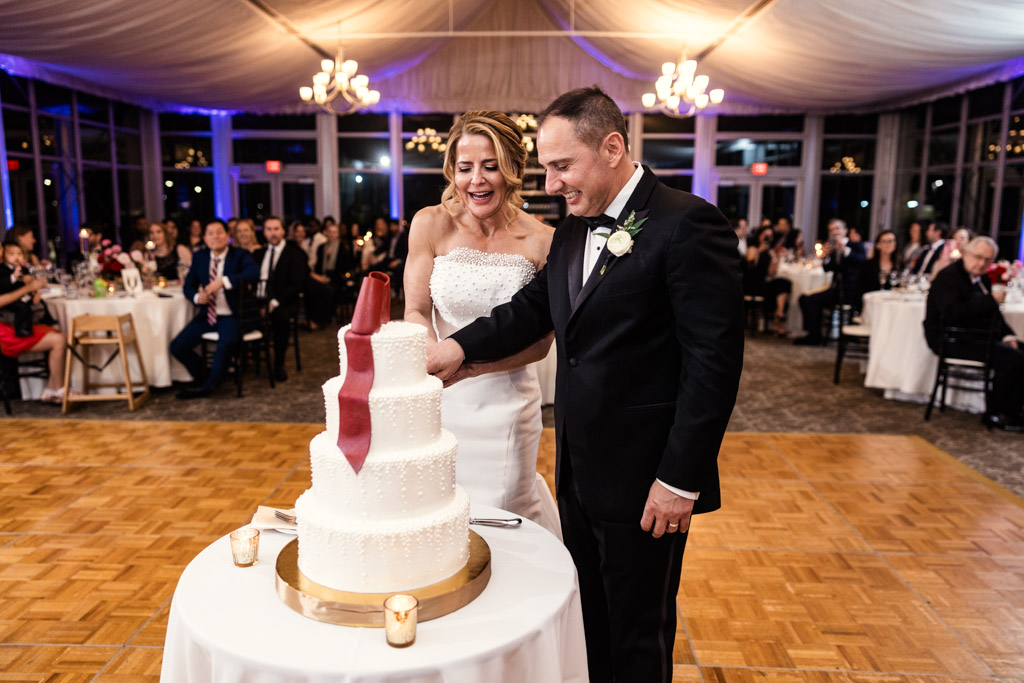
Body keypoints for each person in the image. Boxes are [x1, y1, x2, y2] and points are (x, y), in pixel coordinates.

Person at [427, 88, 744, 682]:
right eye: (546, 167)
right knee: (589, 619)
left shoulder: (687, 223)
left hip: (649, 482)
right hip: (579, 469)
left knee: (636, 634)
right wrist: (456, 350)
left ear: (612, 147)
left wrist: (679, 479)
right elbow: (528, 310)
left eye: (562, 166)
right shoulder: (574, 228)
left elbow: (714, 367)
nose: (550, 183)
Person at [404, 110, 558, 537]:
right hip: (439, 397)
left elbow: (542, 341)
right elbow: (415, 309)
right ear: (452, 170)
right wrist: (433, 356)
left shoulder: (543, 240)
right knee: (439, 510)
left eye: (490, 167)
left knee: (504, 512)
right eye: (465, 167)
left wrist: (472, 368)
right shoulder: (429, 224)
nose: (477, 180)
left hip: (508, 403)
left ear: (512, 170)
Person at [924, 236, 1024, 431]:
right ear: (966, 254)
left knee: (1020, 350)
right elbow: (952, 313)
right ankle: (998, 413)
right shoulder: (949, 277)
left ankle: (1015, 408)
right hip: (950, 339)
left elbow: (994, 314)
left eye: (988, 260)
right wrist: (990, 301)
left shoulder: (983, 278)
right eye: (978, 257)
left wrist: (1008, 336)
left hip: (975, 337)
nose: (982, 263)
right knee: (1013, 360)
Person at [170, 220, 259, 399]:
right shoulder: (200, 257)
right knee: (177, 346)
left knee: (225, 344)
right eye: (210, 233)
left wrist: (224, 281)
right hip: (208, 315)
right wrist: (197, 297)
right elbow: (189, 286)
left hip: (233, 315)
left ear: (228, 236)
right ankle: (206, 376)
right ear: (204, 238)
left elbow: (253, 273)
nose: (215, 237)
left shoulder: (239, 255)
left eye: (219, 232)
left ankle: (208, 388)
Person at [0, 241, 67, 403]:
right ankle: (57, 389)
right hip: (6, 331)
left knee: (60, 334)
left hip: (12, 325)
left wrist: (33, 290)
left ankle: (53, 389)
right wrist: (27, 289)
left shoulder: (8, 270)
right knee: (59, 340)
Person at [794, 218, 866, 345]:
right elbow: (828, 269)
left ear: (845, 230)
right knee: (805, 298)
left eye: (837, 228)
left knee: (810, 299)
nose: (834, 232)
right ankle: (814, 334)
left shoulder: (855, 246)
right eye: (831, 229)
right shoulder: (832, 248)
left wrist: (844, 250)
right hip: (836, 290)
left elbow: (861, 260)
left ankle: (814, 336)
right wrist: (825, 256)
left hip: (851, 292)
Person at [254, 216, 308, 382]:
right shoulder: (258, 254)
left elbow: (296, 284)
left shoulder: (295, 254)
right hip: (258, 300)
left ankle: (279, 364)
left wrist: (274, 302)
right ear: (264, 232)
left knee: (281, 319)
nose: (273, 233)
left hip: (283, 301)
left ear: (283, 231)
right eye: (269, 229)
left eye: (276, 229)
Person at [743, 226, 791, 334]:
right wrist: (759, 251)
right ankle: (777, 321)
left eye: (770, 236)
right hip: (751, 284)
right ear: (760, 235)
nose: (767, 238)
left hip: (763, 283)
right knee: (780, 286)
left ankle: (779, 314)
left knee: (785, 283)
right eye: (765, 235)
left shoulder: (770, 252)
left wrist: (775, 258)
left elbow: (771, 273)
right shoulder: (752, 248)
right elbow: (750, 267)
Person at [306, 221, 350, 329]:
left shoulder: (342, 247)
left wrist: (328, 278)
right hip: (322, 276)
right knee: (312, 288)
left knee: (327, 290)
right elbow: (318, 266)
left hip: (337, 278)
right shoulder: (321, 247)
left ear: (338, 234)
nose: (332, 235)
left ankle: (322, 319)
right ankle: (312, 319)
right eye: (330, 232)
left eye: (334, 232)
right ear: (326, 233)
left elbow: (344, 267)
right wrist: (319, 276)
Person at [856, 230, 901, 308]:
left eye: (891, 241)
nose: (888, 244)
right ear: (878, 245)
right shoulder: (867, 265)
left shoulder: (900, 265)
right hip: (871, 306)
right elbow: (859, 290)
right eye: (884, 241)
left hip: (894, 307)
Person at [385, 218, 409, 296]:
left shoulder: (403, 236)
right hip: (389, 259)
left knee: (398, 270)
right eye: (391, 226)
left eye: (393, 226)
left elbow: (406, 252)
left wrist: (397, 261)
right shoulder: (390, 236)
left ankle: (397, 294)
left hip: (399, 260)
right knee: (375, 267)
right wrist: (373, 253)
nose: (392, 228)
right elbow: (383, 247)